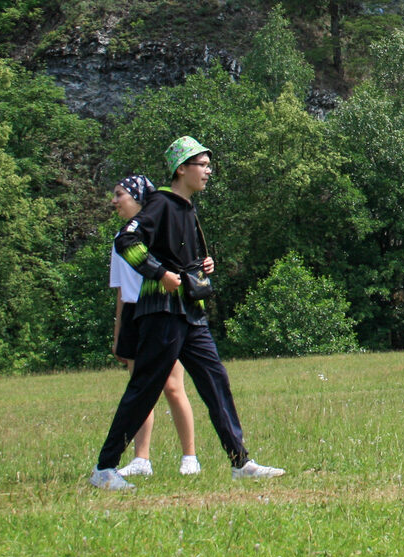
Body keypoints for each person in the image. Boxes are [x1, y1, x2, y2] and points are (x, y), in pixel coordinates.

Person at [90, 137, 285, 489]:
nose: (209, 172)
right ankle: (104, 469)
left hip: (190, 313)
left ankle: (241, 462)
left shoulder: (187, 208)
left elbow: (183, 258)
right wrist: (158, 273)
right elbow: (126, 242)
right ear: (182, 168)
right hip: (162, 311)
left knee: (215, 380)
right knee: (145, 388)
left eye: (209, 165)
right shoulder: (161, 203)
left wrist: (202, 264)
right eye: (203, 165)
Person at [108, 174, 203, 477]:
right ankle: (141, 459)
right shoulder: (119, 240)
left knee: (173, 387)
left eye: (119, 194)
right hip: (136, 316)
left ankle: (190, 457)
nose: (114, 201)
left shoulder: (162, 232)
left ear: (137, 197)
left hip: (162, 308)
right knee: (141, 390)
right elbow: (122, 293)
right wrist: (118, 334)